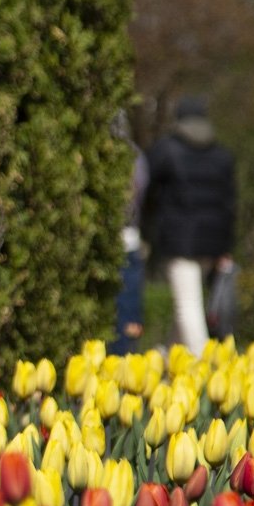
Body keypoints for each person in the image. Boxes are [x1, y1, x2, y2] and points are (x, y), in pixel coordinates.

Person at [143, 96, 237, 352]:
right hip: (212, 243)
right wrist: (226, 246)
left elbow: (146, 190)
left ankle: (203, 367)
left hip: (178, 241)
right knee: (188, 306)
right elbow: (229, 205)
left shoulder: (166, 149)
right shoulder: (221, 156)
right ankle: (168, 368)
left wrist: (148, 232)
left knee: (187, 307)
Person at [109, 112, 150, 355]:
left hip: (119, 236)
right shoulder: (136, 157)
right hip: (130, 236)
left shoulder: (114, 156)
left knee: (120, 312)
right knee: (128, 310)